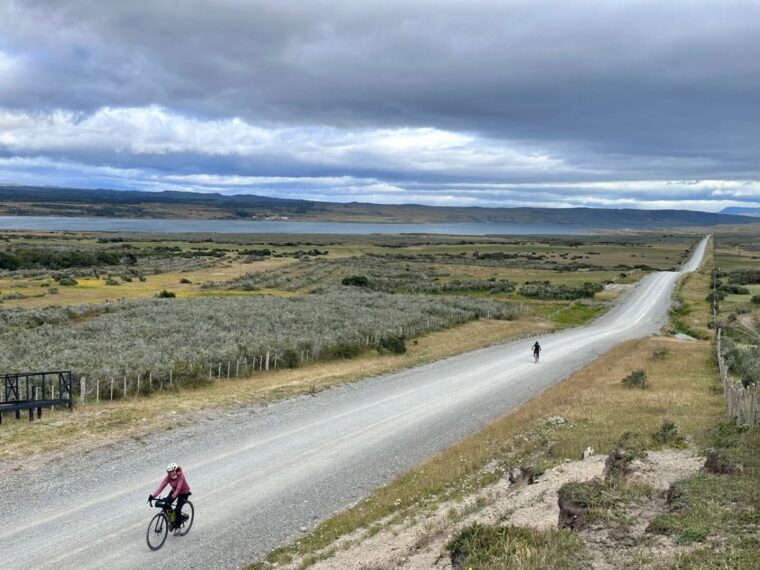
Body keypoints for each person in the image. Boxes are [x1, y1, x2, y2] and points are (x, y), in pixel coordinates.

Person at [149, 463, 191, 534]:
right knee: (167, 505)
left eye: (172, 471)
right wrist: (153, 496)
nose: (171, 473)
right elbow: (161, 487)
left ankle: (177, 526)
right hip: (174, 491)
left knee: (177, 509)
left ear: (175, 470)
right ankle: (172, 520)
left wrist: (173, 497)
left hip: (183, 493)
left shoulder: (180, 476)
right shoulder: (168, 477)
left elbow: (178, 488)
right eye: (169, 472)